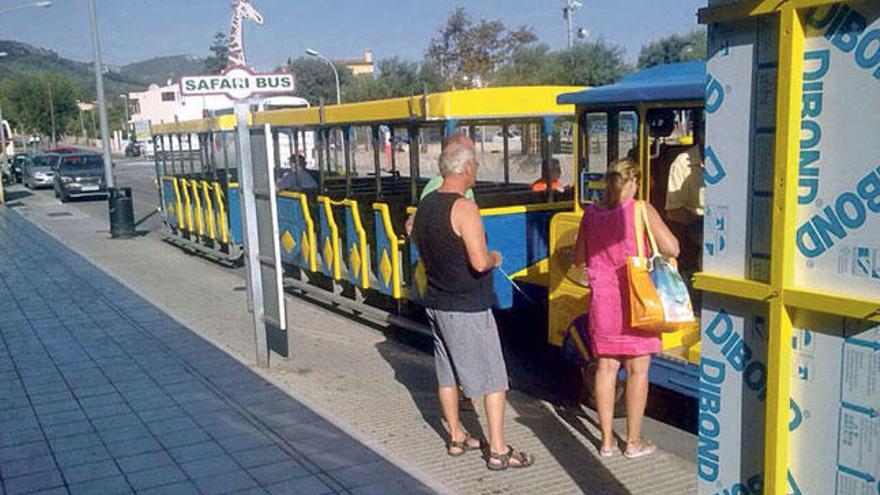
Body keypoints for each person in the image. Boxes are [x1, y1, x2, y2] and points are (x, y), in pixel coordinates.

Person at [412, 139, 534, 471]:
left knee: (447, 373)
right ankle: (498, 449)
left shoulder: (425, 207)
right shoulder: (464, 207)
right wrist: (496, 257)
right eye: (476, 165)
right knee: (494, 378)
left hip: (435, 301)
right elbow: (479, 262)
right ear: (465, 168)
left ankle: (455, 436)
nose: (477, 170)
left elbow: (416, 236)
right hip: (466, 306)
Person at [572, 157, 679, 459]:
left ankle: (605, 441)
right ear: (632, 182)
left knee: (606, 368)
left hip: (603, 303)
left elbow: (579, 258)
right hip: (639, 301)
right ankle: (632, 442)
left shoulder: (591, 215)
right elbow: (672, 248)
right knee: (637, 371)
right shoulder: (641, 210)